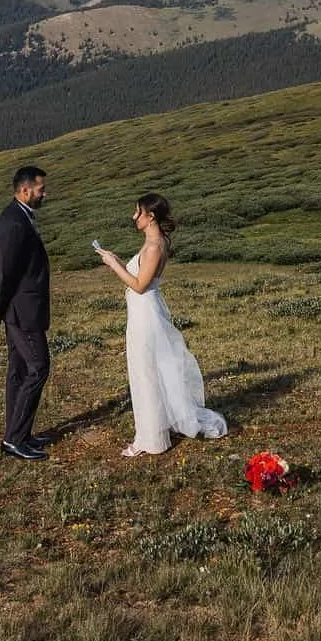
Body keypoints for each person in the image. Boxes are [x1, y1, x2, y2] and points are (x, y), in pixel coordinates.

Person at [93, 193, 227, 457]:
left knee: (145, 372)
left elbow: (139, 285)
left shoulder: (154, 246)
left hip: (145, 313)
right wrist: (119, 262)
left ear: (150, 216)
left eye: (137, 212)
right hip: (145, 310)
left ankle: (151, 439)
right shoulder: (156, 241)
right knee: (152, 369)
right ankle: (159, 426)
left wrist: (113, 264)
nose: (134, 217)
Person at [0, 164, 52, 461]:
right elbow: (7, 272)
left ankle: (19, 433)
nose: (44, 194)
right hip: (22, 311)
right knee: (38, 367)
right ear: (25, 190)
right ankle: (14, 439)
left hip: (20, 309)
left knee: (20, 371)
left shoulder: (18, 216)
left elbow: (4, 270)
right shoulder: (14, 223)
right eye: (41, 189)